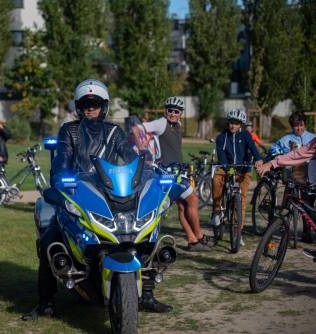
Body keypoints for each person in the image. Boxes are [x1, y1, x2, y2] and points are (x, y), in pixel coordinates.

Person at [22, 79, 172, 321]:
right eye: (85, 104)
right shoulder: (69, 131)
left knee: (146, 232)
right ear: (79, 106)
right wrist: (61, 181)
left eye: (95, 104)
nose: (90, 108)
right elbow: (61, 162)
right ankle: (45, 302)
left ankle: (146, 295)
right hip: (79, 193)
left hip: (111, 194)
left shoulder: (114, 131)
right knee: (50, 239)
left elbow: (128, 157)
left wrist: (146, 172)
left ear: (104, 106)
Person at [137, 96, 212, 252]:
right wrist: (143, 147)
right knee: (192, 199)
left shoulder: (177, 124)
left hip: (176, 172)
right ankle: (199, 236)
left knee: (184, 207)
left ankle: (192, 241)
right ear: (166, 111)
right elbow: (139, 128)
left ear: (180, 114)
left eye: (176, 111)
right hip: (166, 174)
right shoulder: (161, 123)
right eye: (169, 110)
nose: (172, 113)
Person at [211, 109, 263, 245]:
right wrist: (228, 168)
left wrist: (258, 159)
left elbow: (253, 148)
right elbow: (221, 156)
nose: (232, 126)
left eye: (236, 123)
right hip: (228, 167)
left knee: (241, 199)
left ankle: (238, 232)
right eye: (230, 122)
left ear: (241, 124)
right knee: (216, 178)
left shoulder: (246, 135)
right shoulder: (222, 137)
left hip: (244, 169)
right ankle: (217, 209)